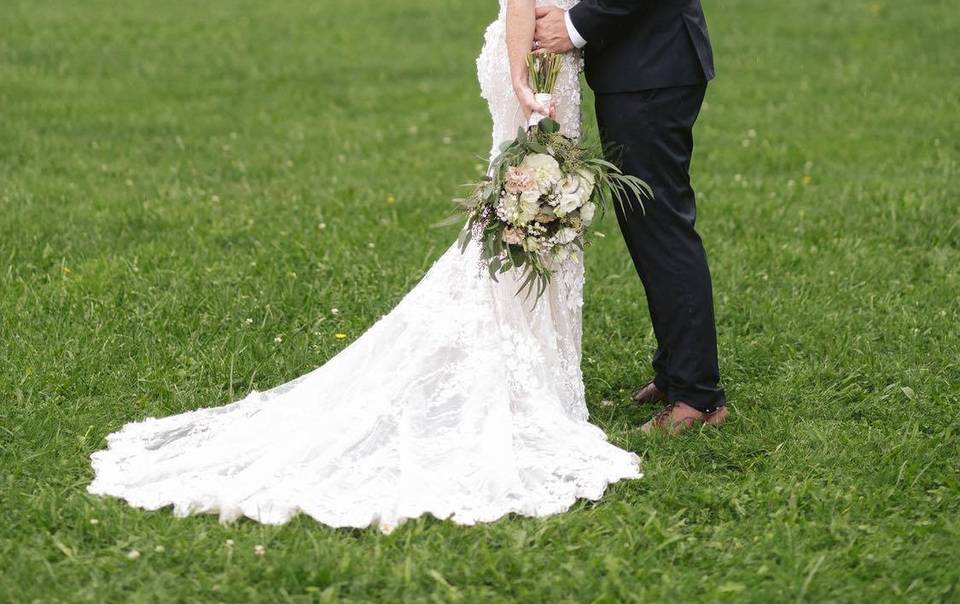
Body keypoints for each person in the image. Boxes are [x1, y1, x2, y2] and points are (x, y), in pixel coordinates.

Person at [86, 0, 641, 531]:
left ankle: (544, 372)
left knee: (536, 215)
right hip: (536, 62)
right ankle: (526, 381)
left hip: (543, 56)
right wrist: (523, 80)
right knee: (533, 207)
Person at [535, 0, 729, 433]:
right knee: (648, 228)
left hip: (653, 71)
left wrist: (574, 24)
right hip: (644, 69)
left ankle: (697, 397)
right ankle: (676, 370)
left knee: (662, 229)